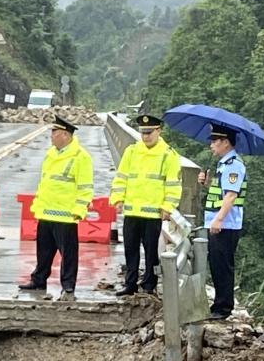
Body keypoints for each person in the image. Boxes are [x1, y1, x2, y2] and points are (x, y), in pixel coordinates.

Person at [17, 115, 93, 299]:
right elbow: (45, 183)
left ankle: (68, 286)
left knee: (68, 255)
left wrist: (79, 210)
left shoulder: (80, 157)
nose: (51, 135)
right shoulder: (51, 154)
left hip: (66, 215)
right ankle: (38, 280)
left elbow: (85, 187)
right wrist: (38, 206)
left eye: (54, 132)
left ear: (66, 135)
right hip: (46, 212)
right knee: (43, 252)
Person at [109, 113, 181, 296]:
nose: (146, 136)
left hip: (153, 213)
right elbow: (121, 177)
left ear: (158, 131)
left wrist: (167, 207)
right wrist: (118, 198)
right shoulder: (132, 152)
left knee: (151, 252)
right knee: (130, 250)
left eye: (149, 133)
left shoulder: (168, 155)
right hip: (132, 211)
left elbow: (173, 185)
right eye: (143, 133)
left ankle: (149, 285)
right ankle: (130, 284)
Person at [199, 124, 246, 319]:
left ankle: (223, 307)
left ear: (225, 142)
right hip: (217, 223)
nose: (211, 145)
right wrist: (206, 183)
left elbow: (231, 196)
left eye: (214, 141)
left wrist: (218, 219)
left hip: (226, 224)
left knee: (223, 265)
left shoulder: (234, 165)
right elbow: (220, 192)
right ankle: (218, 304)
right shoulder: (223, 165)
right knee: (216, 264)